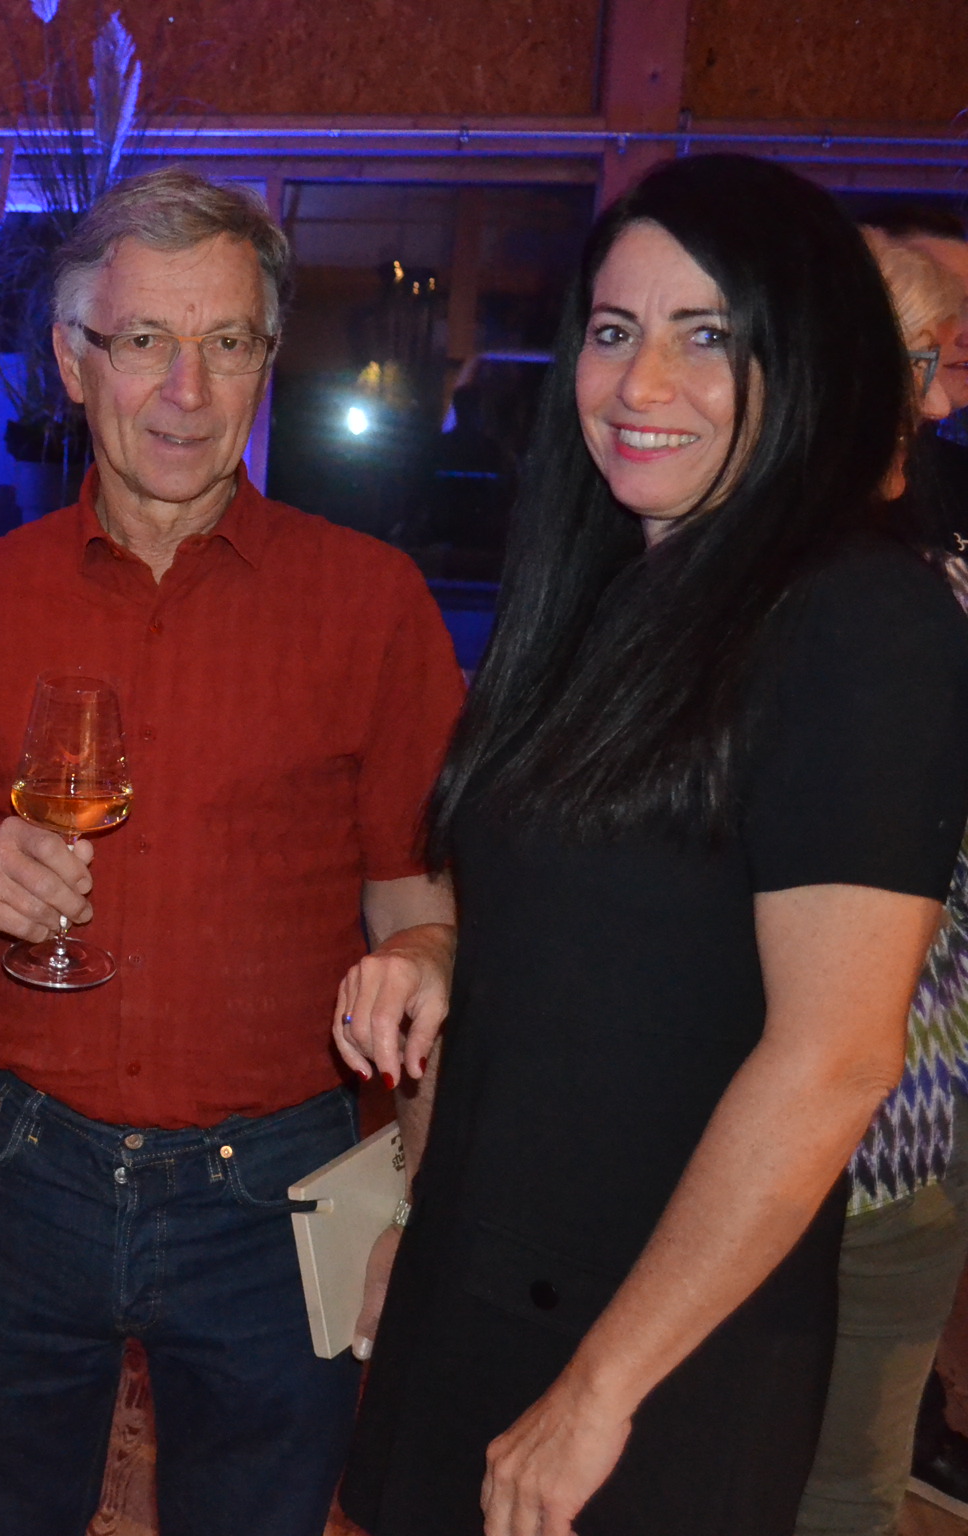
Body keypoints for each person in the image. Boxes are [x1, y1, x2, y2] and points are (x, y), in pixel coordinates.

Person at [339, 154, 968, 1536]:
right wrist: (440, 961)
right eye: (616, 330)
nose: (641, 384)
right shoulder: (606, 592)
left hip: (657, 1337)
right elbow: (582, 930)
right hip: (490, 1268)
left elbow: (836, 1059)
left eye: (708, 336)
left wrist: (599, 1391)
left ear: (807, 357)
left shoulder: (861, 619)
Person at [0, 166, 468, 1536]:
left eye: (227, 341)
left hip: (282, 1184)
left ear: (266, 361)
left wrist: (420, 1166)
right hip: (19, 1167)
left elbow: (418, 909)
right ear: (75, 361)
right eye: (145, 340)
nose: (187, 389)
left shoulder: (371, 603)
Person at [793, 232, 968, 1536]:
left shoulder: (939, 578)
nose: (945, 397)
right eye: (926, 361)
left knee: (848, 1485)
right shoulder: (695, 580)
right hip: (736, 1135)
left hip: (899, 1132)